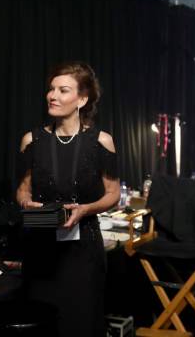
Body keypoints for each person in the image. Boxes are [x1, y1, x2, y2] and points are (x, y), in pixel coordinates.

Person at [16, 61, 120, 336]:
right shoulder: (31, 140)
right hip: (40, 249)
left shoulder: (101, 141)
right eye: (51, 89)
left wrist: (86, 209)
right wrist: (26, 202)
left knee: (80, 324)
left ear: (82, 99)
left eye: (63, 90)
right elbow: (23, 188)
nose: (53, 96)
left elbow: (114, 194)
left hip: (83, 253)